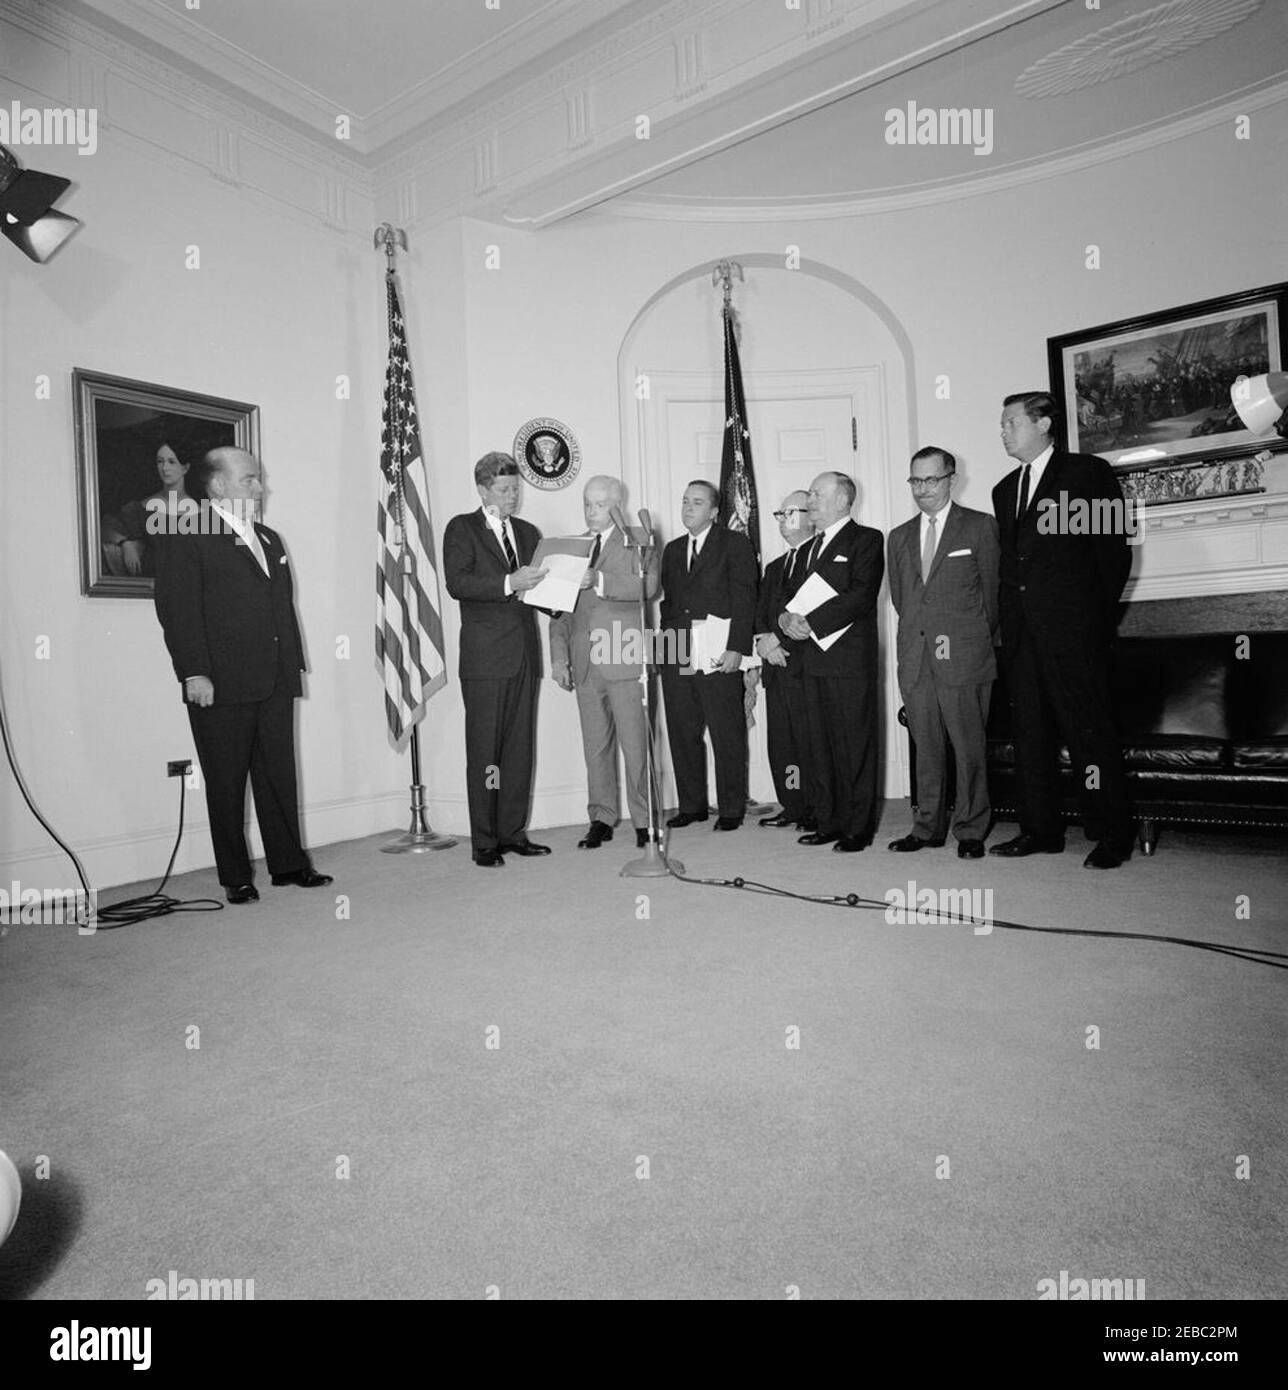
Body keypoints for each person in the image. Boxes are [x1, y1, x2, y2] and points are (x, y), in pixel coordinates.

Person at [153, 447, 331, 904]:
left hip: (274, 679)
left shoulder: (269, 539)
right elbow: (178, 611)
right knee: (227, 782)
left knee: (278, 777)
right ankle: (235, 876)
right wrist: (194, 672)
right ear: (216, 486)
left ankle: (289, 865)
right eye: (249, 479)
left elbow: (280, 610)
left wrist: (293, 667)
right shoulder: (187, 535)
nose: (259, 487)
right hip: (219, 683)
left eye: (258, 479)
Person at [990, 391, 1135, 869]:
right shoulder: (1004, 489)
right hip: (1023, 637)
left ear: (1045, 423)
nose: (1004, 431)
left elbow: (1113, 554)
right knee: (1030, 733)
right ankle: (1041, 829)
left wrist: (1092, 624)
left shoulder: (1086, 474)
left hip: (1074, 633)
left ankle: (1112, 833)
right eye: (1004, 423)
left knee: (1088, 732)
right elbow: (1013, 566)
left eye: (1012, 422)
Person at [886, 447, 1000, 859]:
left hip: (965, 657)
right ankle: (927, 827)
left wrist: (966, 641)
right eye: (915, 481)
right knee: (926, 747)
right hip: (916, 659)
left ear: (952, 479)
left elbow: (992, 597)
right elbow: (904, 600)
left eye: (931, 480)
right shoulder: (897, 537)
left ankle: (970, 829)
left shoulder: (979, 527)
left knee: (969, 747)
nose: (922, 489)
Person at [443, 452, 551, 868]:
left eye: (515, 488)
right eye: (504, 490)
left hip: (524, 652)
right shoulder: (462, 528)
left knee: (519, 749)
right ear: (483, 489)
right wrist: (510, 581)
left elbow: (537, 589)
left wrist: (561, 593)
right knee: (486, 752)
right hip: (485, 659)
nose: (513, 496)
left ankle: (513, 832)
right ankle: (485, 841)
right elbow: (458, 582)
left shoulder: (527, 531)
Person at [549, 476, 660, 851]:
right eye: (587, 504)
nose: (591, 512)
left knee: (635, 745)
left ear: (617, 505)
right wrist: (559, 656)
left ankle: (645, 821)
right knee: (595, 747)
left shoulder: (639, 538)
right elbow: (558, 611)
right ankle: (601, 817)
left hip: (624, 656)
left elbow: (649, 587)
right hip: (583, 662)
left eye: (599, 505)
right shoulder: (572, 548)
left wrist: (598, 579)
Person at [776, 471, 884, 853]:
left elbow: (860, 594)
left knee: (854, 746)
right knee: (818, 746)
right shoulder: (807, 547)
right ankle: (828, 820)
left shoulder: (867, 539)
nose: (811, 500)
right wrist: (785, 620)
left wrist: (811, 621)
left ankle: (857, 827)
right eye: (809, 494)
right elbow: (786, 598)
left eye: (818, 494)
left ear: (843, 499)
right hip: (810, 660)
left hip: (848, 662)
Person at [658, 480, 757, 831]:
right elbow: (668, 605)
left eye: (697, 503)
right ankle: (692, 805)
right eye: (685, 501)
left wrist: (738, 649)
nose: (687, 508)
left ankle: (731, 808)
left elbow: (746, 598)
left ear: (714, 511)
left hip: (719, 652)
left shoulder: (734, 544)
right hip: (678, 654)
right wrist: (664, 652)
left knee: (725, 732)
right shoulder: (671, 550)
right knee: (683, 732)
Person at [754, 490, 816, 831]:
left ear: (811, 516)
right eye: (780, 513)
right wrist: (764, 641)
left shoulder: (819, 558)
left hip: (804, 668)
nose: (783, 520)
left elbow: (812, 612)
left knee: (808, 744)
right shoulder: (775, 567)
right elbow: (761, 612)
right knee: (782, 745)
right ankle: (791, 804)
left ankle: (814, 807)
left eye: (790, 512)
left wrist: (780, 640)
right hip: (774, 668)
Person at [120, 442, 198, 577]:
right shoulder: (140, 507)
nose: (164, 468)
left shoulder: (202, 513)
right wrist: (125, 543)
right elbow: (110, 527)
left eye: (172, 462)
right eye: (160, 461)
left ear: (185, 468)